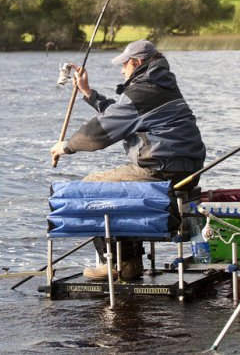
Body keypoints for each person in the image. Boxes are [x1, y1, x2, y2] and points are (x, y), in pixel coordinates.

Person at [51, 39, 206, 280]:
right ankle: (129, 263)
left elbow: (100, 132)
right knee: (113, 184)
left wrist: (67, 146)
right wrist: (89, 94)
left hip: (161, 170)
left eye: (125, 65)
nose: (122, 70)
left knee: (89, 188)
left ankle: (117, 263)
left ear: (137, 62)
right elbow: (123, 114)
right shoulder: (161, 85)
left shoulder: (143, 91)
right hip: (184, 168)